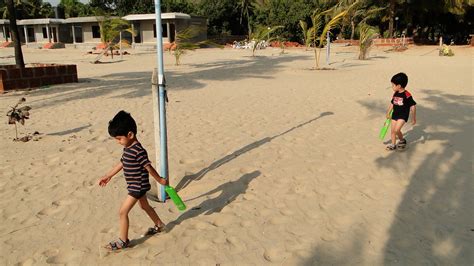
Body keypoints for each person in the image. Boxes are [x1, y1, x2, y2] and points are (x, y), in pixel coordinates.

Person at [98, 110, 168, 250]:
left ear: (130, 134)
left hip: (138, 186)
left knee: (122, 212)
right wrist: (108, 175)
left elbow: (148, 167)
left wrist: (159, 179)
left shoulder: (138, 150)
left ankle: (123, 241)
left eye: (119, 139)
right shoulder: (128, 147)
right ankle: (159, 225)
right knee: (144, 206)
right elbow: (122, 163)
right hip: (134, 185)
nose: (118, 142)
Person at [385, 72, 417, 150]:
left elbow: (413, 106)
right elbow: (392, 103)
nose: (392, 87)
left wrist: (413, 118)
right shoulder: (395, 93)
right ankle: (393, 144)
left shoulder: (407, 95)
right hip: (395, 114)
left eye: (393, 85)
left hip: (403, 115)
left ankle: (402, 140)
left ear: (399, 86)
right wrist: (388, 112)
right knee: (393, 131)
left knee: (397, 130)